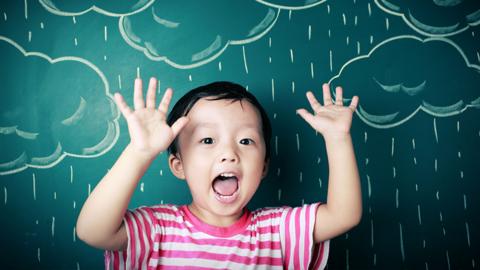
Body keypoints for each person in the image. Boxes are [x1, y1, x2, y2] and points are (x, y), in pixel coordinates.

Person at [76, 77, 362, 269]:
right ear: (179, 165)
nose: (229, 153)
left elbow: (343, 215)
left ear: (263, 167)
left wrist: (338, 139)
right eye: (208, 140)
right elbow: (92, 232)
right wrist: (140, 152)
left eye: (246, 141)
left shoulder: (279, 230)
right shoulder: (157, 229)